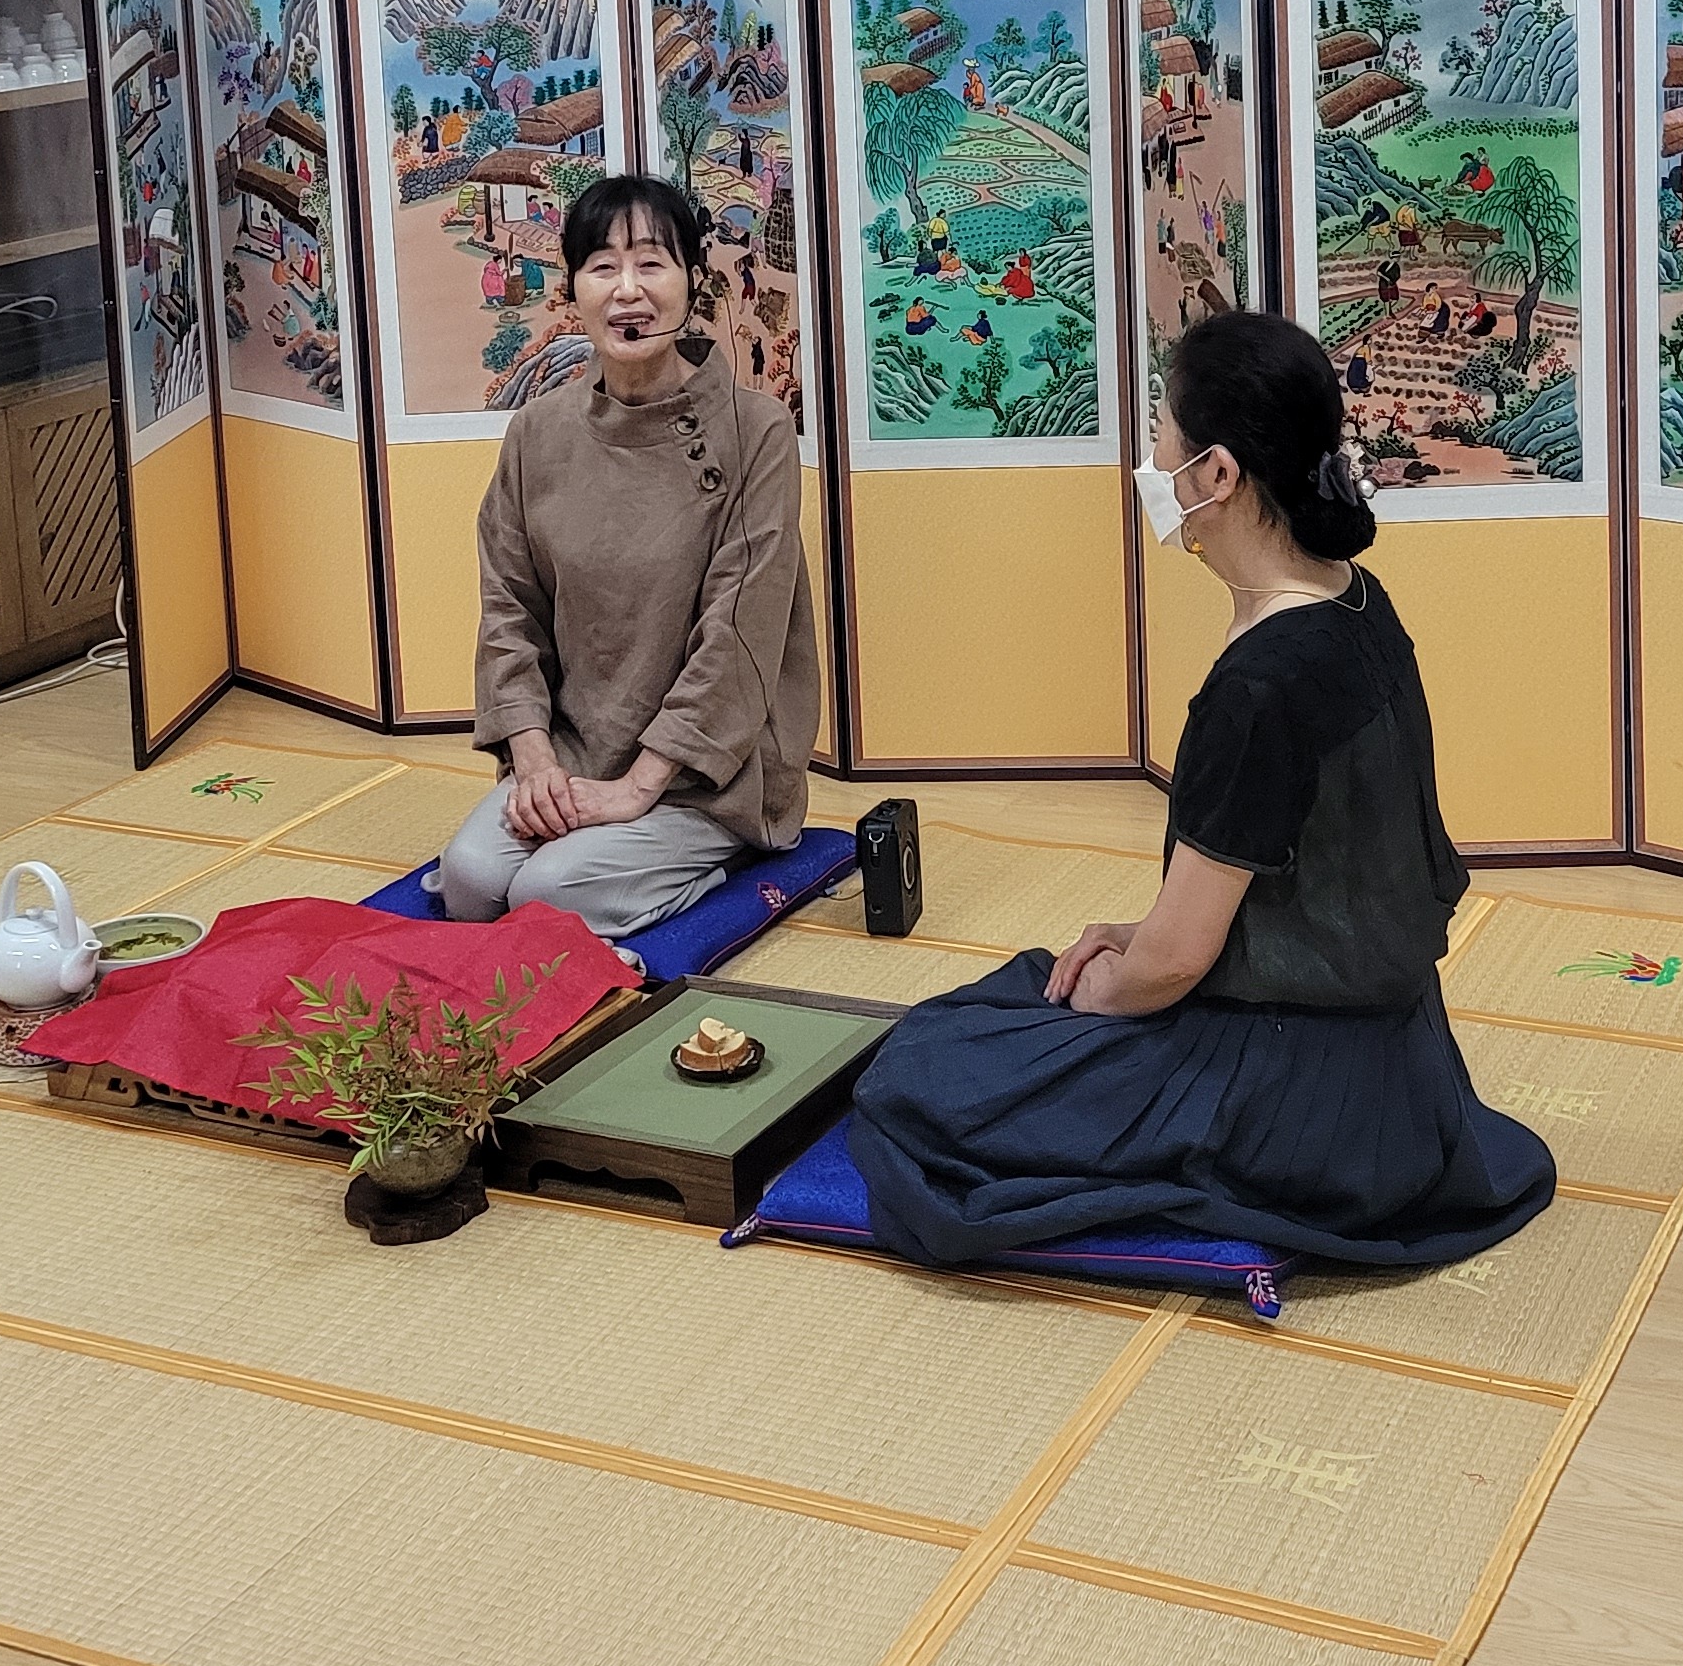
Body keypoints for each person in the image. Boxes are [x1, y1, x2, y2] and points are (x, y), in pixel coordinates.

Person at [844, 310, 1554, 1275]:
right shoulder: (1356, 600)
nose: (1154, 465)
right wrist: (1133, 936)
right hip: (1405, 1067)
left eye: (1162, 439)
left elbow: (1175, 963)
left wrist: (1104, 990)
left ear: (1216, 474)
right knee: (1022, 991)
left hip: (1294, 1095)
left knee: (924, 1071)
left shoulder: (1261, 685)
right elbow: (1295, 883)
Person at [441, 172, 818, 936]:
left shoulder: (757, 432)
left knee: (548, 895)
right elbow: (508, 613)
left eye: (652, 263)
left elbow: (739, 635)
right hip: (576, 751)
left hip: (712, 772)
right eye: (603, 266)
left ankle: (717, 864)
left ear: (692, 280)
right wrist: (535, 764)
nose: (628, 291)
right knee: (471, 879)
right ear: (571, 288)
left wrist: (639, 787)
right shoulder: (537, 434)